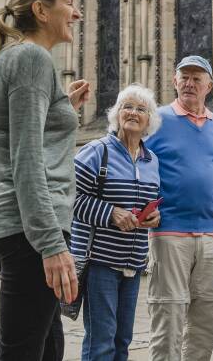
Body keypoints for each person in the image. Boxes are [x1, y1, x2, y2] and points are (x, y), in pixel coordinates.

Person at [0, 0, 91, 361]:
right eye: (69, 3)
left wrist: (62, 108)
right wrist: (51, 243)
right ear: (41, 9)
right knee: (22, 352)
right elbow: (26, 160)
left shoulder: (16, 60)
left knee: (47, 349)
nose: (77, 13)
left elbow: (25, 137)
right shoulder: (31, 59)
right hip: (32, 233)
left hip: (21, 230)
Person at [144, 55, 213, 361]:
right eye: (184, 77)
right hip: (169, 232)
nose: (189, 83)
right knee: (168, 313)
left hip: (212, 235)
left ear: (208, 86)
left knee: (205, 315)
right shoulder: (156, 120)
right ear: (174, 82)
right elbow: (137, 165)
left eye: (197, 78)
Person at [71, 84, 163, 361]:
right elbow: (68, 198)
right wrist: (110, 212)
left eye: (141, 109)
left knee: (122, 339)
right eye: (127, 107)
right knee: (101, 341)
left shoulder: (151, 160)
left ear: (149, 120)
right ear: (116, 114)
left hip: (133, 263)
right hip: (99, 261)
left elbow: (153, 200)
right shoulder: (96, 151)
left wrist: (155, 217)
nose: (133, 113)